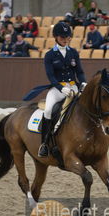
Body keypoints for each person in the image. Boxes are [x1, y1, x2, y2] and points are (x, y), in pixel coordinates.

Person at [39, 22, 86, 157]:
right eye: (62, 38)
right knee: (48, 110)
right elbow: (51, 76)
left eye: (67, 37)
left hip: (73, 86)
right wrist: (60, 88)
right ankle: (44, 144)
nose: (65, 40)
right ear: (55, 37)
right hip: (58, 89)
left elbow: (80, 71)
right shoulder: (50, 55)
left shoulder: (73, 53)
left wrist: (83, 83)